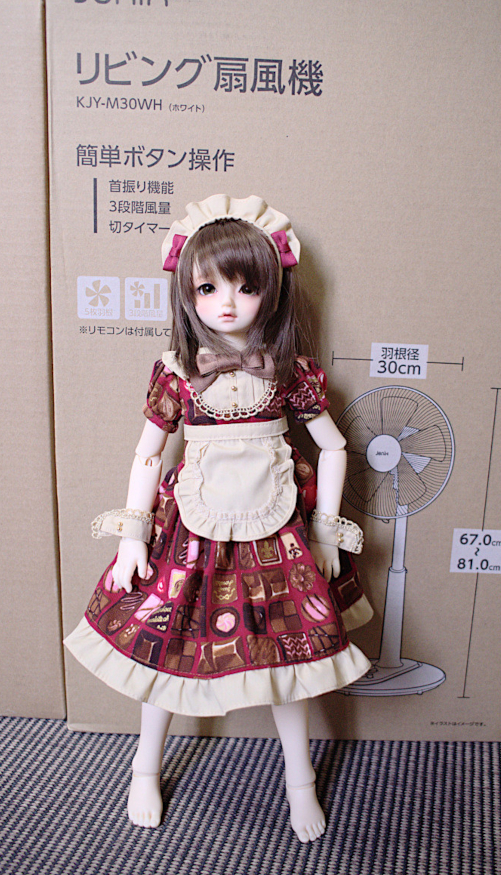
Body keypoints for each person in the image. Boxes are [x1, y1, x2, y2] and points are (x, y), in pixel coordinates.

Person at [65, 194, 372, 842]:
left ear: (273, 290)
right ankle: (144, 768)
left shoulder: (292, 373)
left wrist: (325, 532)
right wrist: (133, 534)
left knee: (288, 659)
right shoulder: (176, 372)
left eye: (245, 286)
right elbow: (148, 454)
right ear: (187, 293)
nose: (227, 303)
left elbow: (335, 447)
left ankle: (299, 780)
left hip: (276, 530)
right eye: (208, 288)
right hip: (192, 529)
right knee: (166, 651)